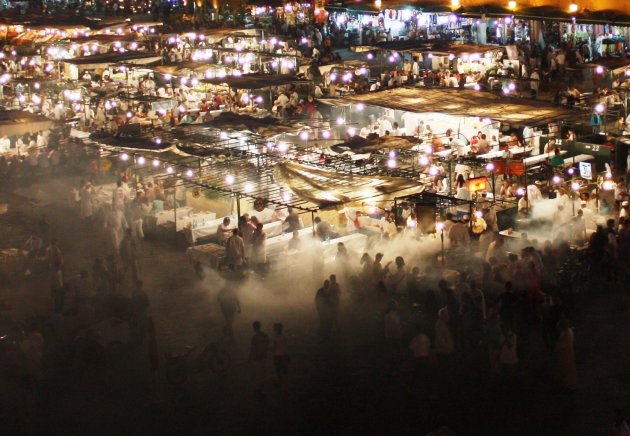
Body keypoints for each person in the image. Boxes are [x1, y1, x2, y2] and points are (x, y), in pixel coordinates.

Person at [553, 318, 577, 392]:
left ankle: (567, 385)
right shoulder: (568, 332)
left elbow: (561, 345)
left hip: (565, 354)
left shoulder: (565, 334)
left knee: (566, 369)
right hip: (568, 353)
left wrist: (556, 349)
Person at [249, 321, 270, 395]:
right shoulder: (265, 335)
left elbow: (252, 349)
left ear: (254, 328)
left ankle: (259, 389)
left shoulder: (254, 338)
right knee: (263, 372)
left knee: (258, 374)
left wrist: (250, 358)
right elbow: (267, 345)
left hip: (257, 357)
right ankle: (261, 387)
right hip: (264, 356)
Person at [271, 323, 289, 389]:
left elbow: (274, 347)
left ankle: (281, 383)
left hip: (277, 355)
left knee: (278, 370)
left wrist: (271, 351)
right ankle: (285, 383)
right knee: (284, 370)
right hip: (284, 354)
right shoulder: (284, 336)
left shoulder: (275, 337)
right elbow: (286, 346)